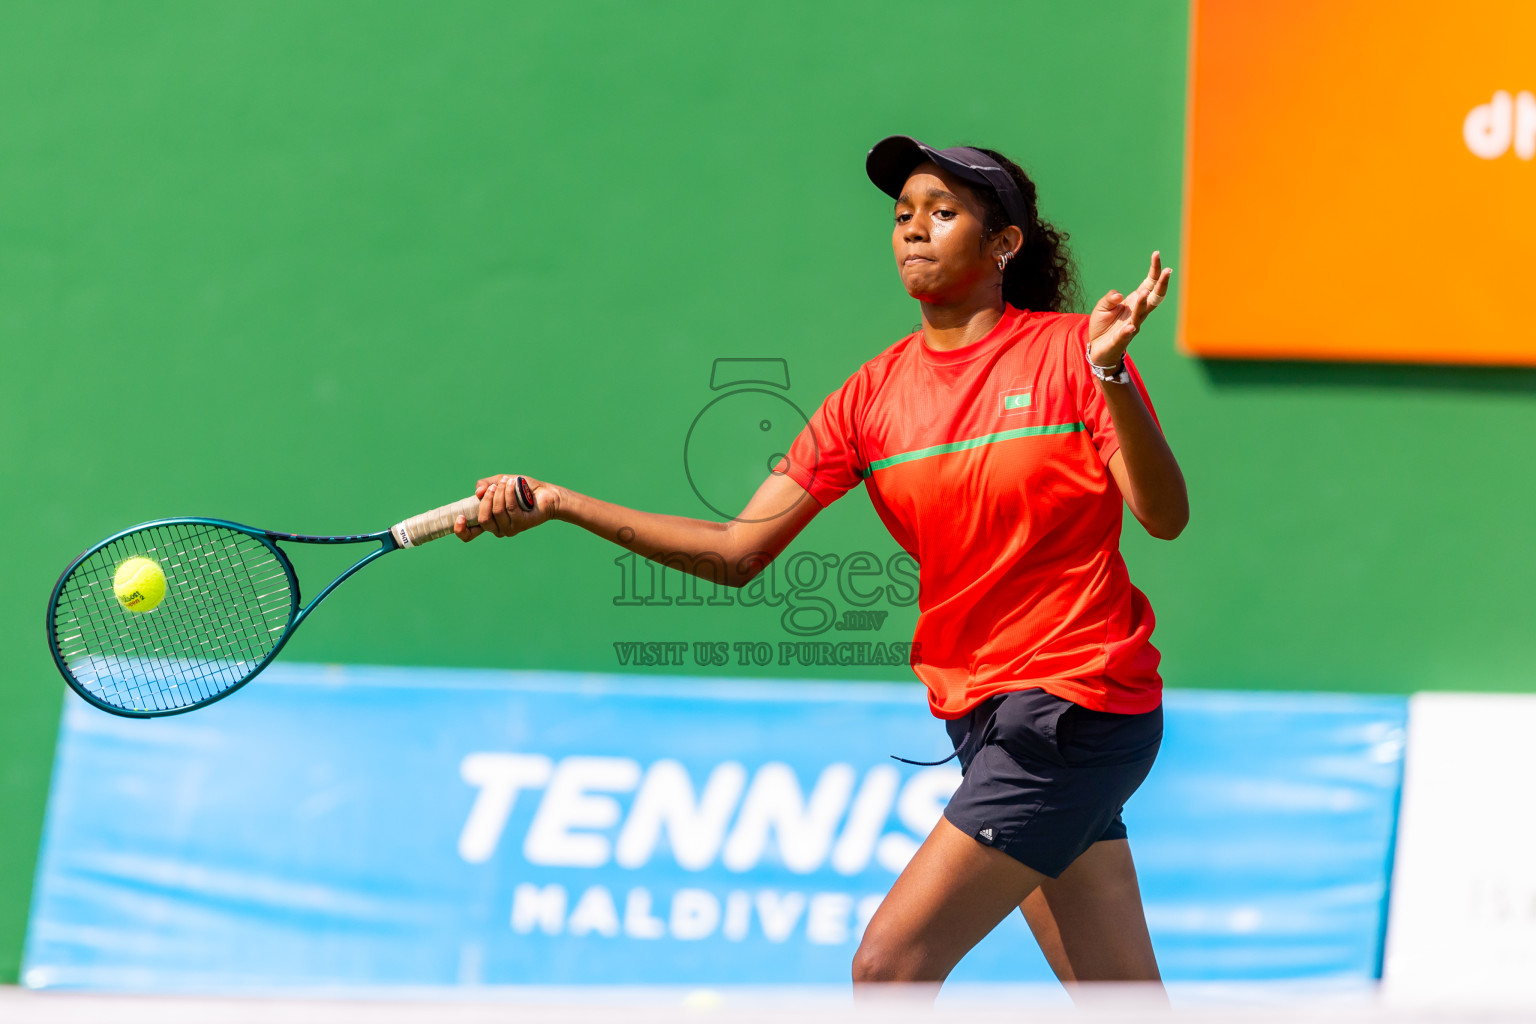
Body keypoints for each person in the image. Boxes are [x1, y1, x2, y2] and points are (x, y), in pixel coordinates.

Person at [454, 135, 1187, 993]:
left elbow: (1162, 516)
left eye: (943, 214)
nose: (914, 231)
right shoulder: (869, 399)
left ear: (1004, 245)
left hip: (1070, 704)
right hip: (984, 718)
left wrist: (1111, 375)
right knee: (1120, 998)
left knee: (889, 968)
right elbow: (738, 553)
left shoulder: (1072, 354)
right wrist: (560, 504)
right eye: (903, 215)